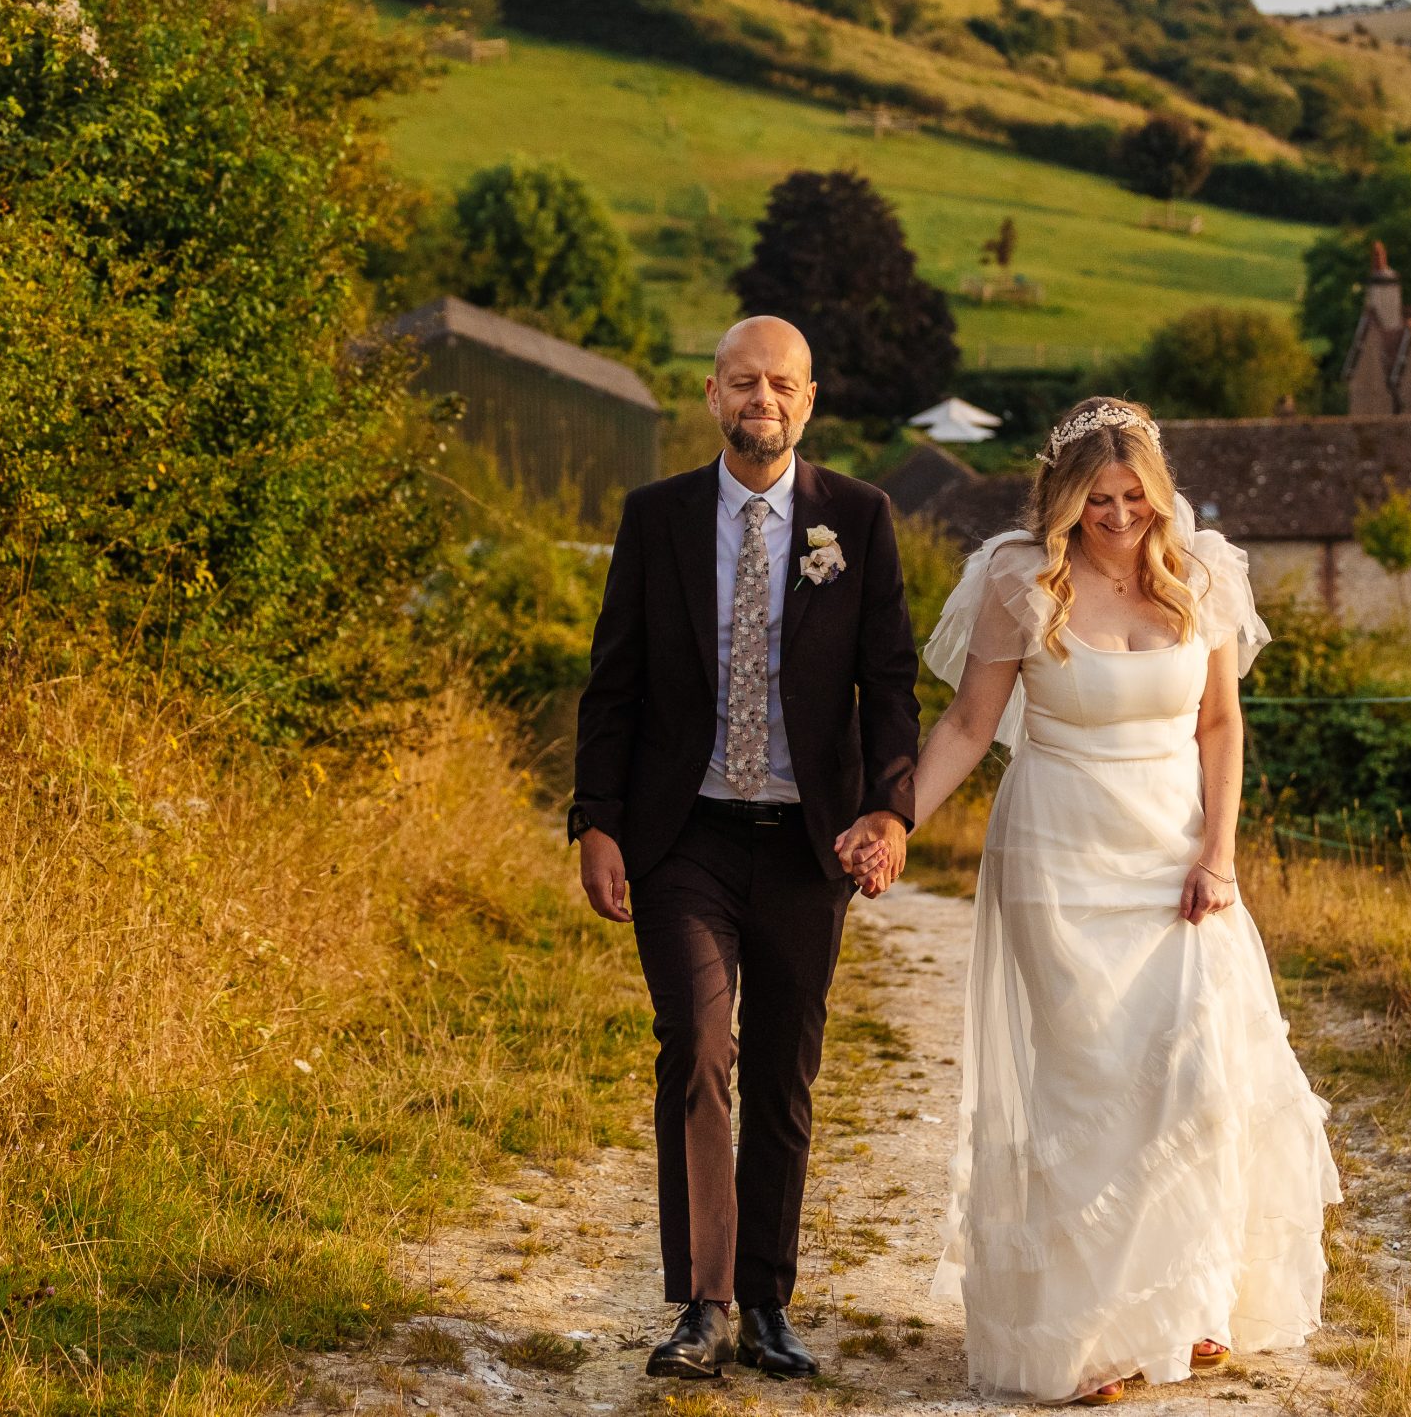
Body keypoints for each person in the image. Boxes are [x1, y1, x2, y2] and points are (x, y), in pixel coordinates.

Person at [848, 396, 1341, 1404]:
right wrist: (896, 820)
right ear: (1061, 498)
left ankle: (1188, 1300)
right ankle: (1089, 1338)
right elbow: (969, 724)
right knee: (1084, 1087)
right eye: (1095, 499)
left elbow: (1218, 727)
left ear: (1158, 494)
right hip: (1057, 853)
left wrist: (1220, 852)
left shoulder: (1201, 574)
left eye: (1132, 497)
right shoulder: (1017, 581)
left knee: (1194, 1077)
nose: (1116, 516)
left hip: (1174, 860)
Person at [570, 316, 922, 1382]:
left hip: (808, 845)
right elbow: (614, 683)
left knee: (782, 1073)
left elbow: (893, 687)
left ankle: (768, 1302)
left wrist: (890, 813)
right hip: (685, 836)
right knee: (697, 1050)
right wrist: (595, 820)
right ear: (711, 395)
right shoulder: (657, 518)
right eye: (741, 382)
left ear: (807, 402)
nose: (760, 399)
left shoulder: (858, 519)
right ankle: (702, 1304)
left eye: (781, 384)